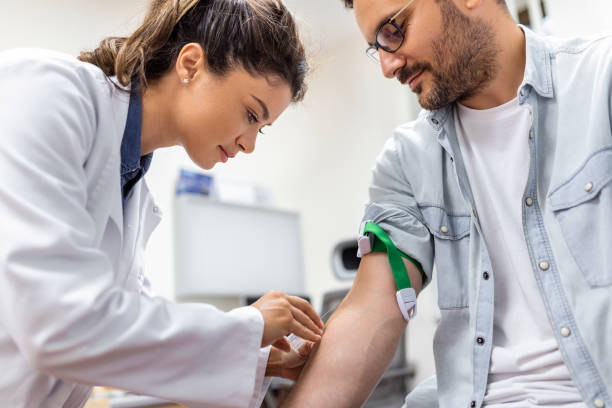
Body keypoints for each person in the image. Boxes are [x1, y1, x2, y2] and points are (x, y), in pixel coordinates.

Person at [283, 0, 612, 407]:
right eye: (377, 46)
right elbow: (370, 310)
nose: (388, 66)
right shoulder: (406, 161)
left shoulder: (601, 81)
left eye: (393, 30)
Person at [0, 0, 324, 407]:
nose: (249, 143)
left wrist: (258, 359)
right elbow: (59, 325)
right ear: (191, 64)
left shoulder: (133, 188)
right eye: (249, 114)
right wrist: (248, 327)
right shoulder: (48, 92)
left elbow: (122, 336)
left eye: (263, 128)